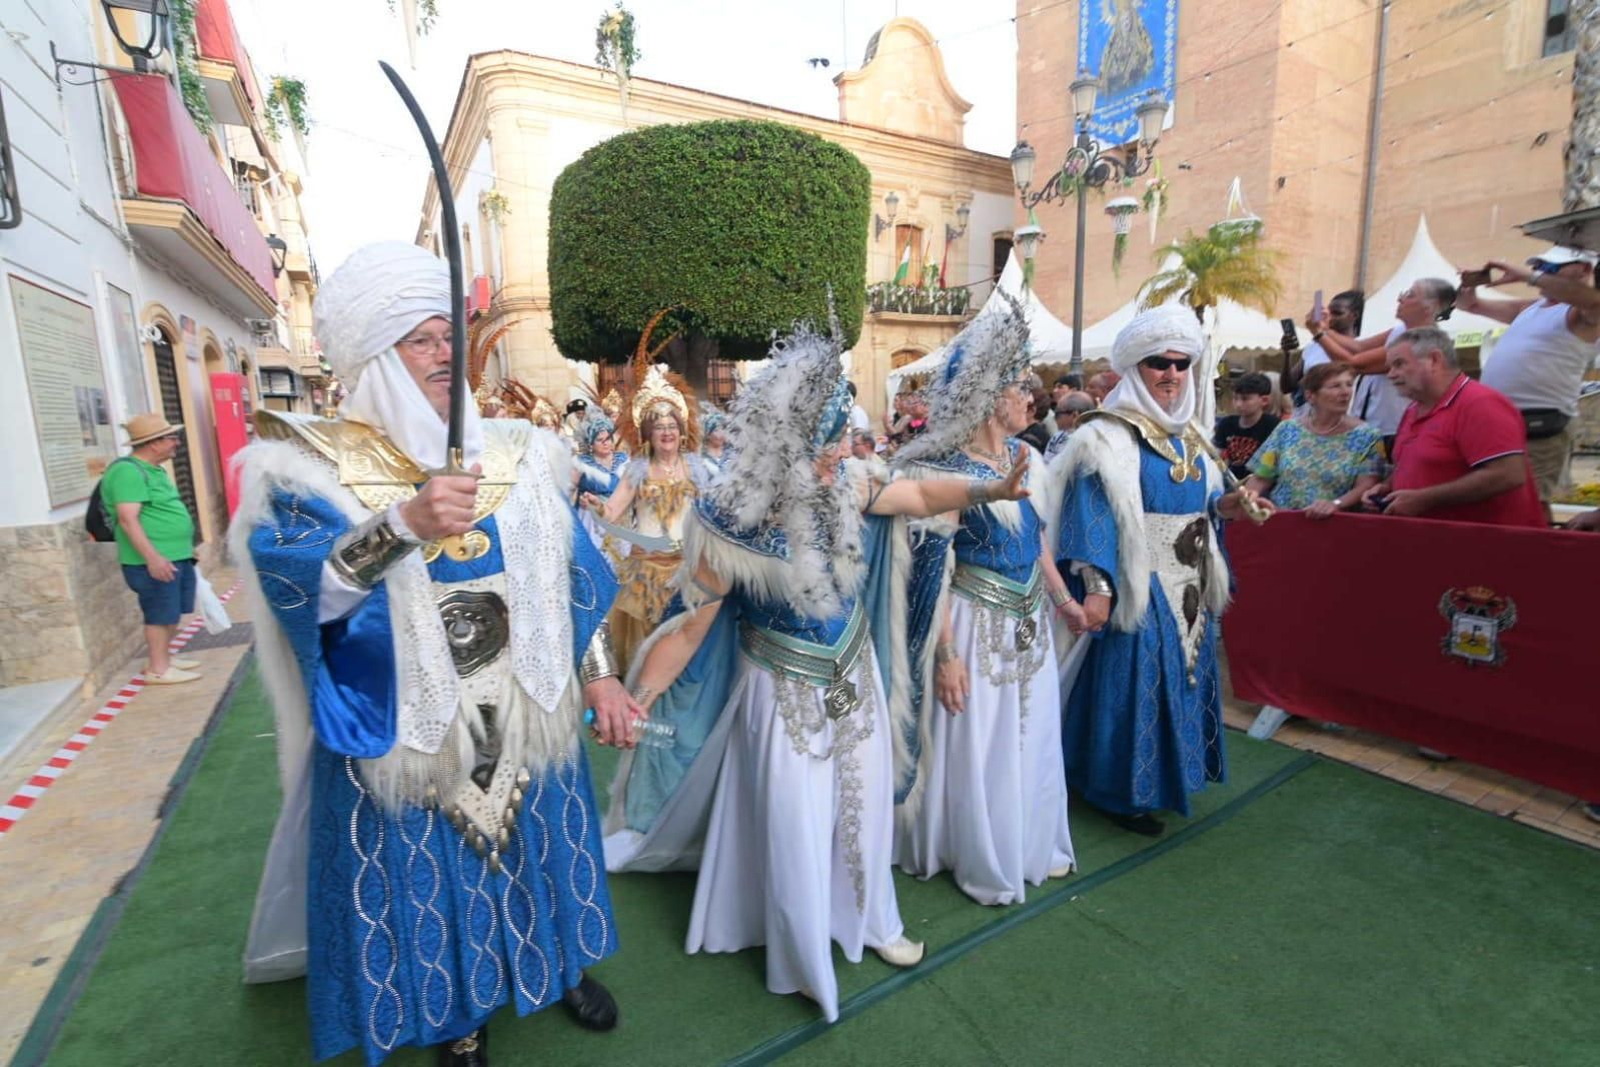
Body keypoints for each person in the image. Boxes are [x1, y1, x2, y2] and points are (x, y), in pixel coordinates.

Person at [233, 242, 634, 1065]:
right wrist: (401, 526)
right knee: (430, 887)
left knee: (543, 852)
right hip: (407, 725)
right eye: (421, 338)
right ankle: (457, 1021)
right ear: (375, 356)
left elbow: (565, 583)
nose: (448, 353)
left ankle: (558, 965)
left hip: (526, 704)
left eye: (452, 334)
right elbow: (297, 587)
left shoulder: (522, 451)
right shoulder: (306, 470)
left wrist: (600, 679)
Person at [603, 321, 1034, 1021]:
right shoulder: (730, 523)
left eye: (842, 442)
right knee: (795, 818)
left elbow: (917, 499)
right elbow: (690, 628)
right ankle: (801, 954)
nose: (843, 455)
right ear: (786, 444)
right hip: (780, 694)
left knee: (861, 809)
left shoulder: (850, 485)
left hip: (855, 676)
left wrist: (991, 492)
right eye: (828, 444)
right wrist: (639, 697)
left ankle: (872, 923)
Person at [1049, 306, 1273, 837]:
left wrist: (1227, 510)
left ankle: (1170, 779)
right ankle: (1117, 792)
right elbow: (1091, 515)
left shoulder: (1192, 434)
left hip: (1191, 578)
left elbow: (1203, 505)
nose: (1171, 374)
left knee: (1188, 677)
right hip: (1138, 580)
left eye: (1180, 364)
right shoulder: (1104, 436)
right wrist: (1098, 588)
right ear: (1136, 368)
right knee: (1138, 682)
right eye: (1158, 363)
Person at [893, 302, 1080, 906]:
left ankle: (1027, 840)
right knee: (983, 738)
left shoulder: (1029, 459)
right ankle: (975, 848)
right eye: (1019, 386)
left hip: (1030, 621)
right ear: (988, 395)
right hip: (974, 623)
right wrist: (946, 653)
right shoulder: (943, 470)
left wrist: (1063, 599)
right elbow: (932, 570)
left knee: (1028, 732)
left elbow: (1038, 541)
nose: (1031, 396)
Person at [587, 363, 715, 669]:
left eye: (671, 425)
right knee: (648, 652)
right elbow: (613, 509)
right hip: (648, 575)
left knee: (688, 651)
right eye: (658, 427)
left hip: (689, 571)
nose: (666, 432)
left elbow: (712, 513)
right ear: (648, 433)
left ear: (681, 430)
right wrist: (597, 507)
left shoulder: (697, 469)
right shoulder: (637, 471)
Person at [1359, 327, 1545, 526]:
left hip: (1488, 544)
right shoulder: (1413, 409)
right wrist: (1387, 487)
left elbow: (1508, 474)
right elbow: (1414, 466)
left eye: (1399, 364)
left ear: (1434, 360)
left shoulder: (1480, 404)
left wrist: (1424, 499)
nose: (1391, 374)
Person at [1462, 249, 1600, 515]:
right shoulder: (1532, 307)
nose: (1541, 271)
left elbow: (1594, 303)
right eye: (1539, 265)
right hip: (1501, 420)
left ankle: (1536, 554)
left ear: (1583, 269)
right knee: (1496, 500)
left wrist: (1528, 276)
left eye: (1549, 267)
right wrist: (1467, 287)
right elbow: (1472, 306)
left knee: (1531, 501)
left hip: (1540, 424)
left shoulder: (1582, 312)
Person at [101, 413, 202, 685]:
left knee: (173, 610)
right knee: (159, 613)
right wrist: (153, 558)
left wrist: (185, 547)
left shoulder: (153, 470)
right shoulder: (127, 471)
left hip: (175, 555)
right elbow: (127, 519)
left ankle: (164, 658)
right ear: (154, 443)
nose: (176, 443)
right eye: (172, 438)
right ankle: (158, 668)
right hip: (153, 560)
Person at [1314, 277, 1456, 451]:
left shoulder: (1422, 341)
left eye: (1410, 295)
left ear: (1431, 306)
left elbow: (1355, 364)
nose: (1400, 299)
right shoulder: (1400, 331)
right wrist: (1324, 329)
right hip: (1373, 423)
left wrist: (1319, 335)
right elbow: (1358, 346)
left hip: (1392, 429)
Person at [1244, 363, 1385, 516]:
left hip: (1335, 525)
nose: (1345, 392)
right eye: (1335, 386)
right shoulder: (1287, 429)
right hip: (1283, 520)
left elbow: (1367, 484)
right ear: (1310, 396)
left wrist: (1335, 504)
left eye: (1349, 385)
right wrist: (1250, 499)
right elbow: (1262, 476)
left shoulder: (1368, 436)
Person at [1282, 290, 1363, 407]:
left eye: (1337, 313)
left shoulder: (1359, 348)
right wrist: (1287, 353)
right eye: (1329, 312)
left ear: (1354, 315)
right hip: (1305, 419)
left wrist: (1320, 332)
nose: (1331, 317)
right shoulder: (1314, 346)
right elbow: (1287, 387)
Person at [1213, 372, 1280, 481]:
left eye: (1245, 399)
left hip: (1260, 482)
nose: (1238, 404)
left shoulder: (1273, 426)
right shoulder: (1226, 424)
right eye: (1235, 398)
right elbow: (1217, 453)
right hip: (1229, 480)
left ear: (1264, 400)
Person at [1044, 392, 1096, 461]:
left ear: (1075, 415)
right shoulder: (1057, 437)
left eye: (1057, 413)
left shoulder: (1092, 443)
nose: (1054, 417)